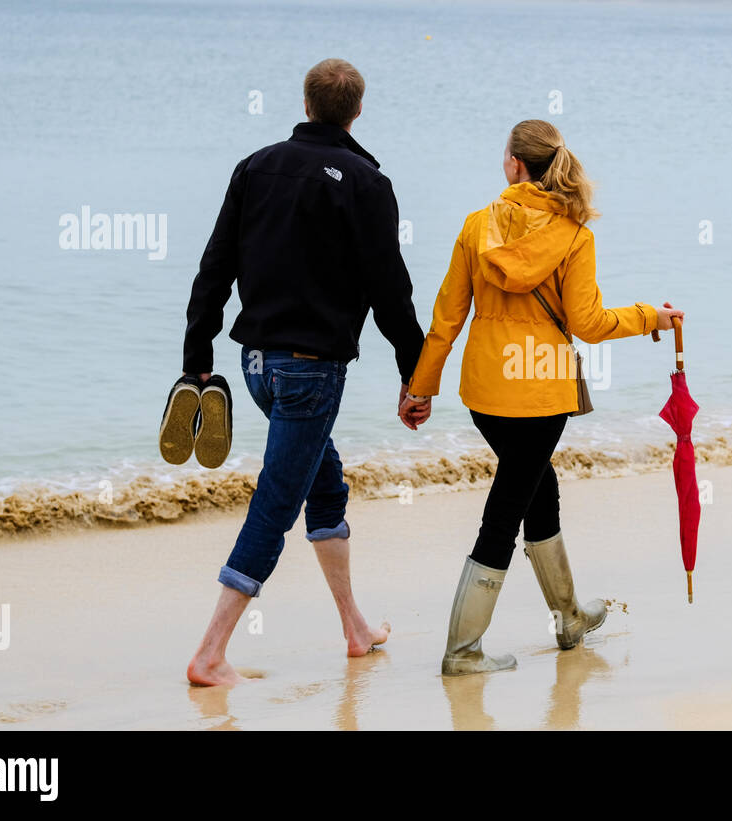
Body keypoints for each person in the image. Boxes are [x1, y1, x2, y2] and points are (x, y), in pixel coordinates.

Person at [399, 119, 684, 676]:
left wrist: (421, 388)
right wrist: (654, 316)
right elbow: (590, 323)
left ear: (514, 164)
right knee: (506, 511)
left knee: (537, 489)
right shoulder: (575, 235)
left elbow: (446, 319)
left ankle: (569, 616)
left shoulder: (477, 227)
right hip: (542, 392)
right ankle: (462, 650)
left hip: (485, 392)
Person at [181, 59, 426, 687]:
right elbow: (389, 289)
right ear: (357, 111)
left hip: (256, 365)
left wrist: (197, 362)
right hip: (311, 372)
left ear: (307, 103)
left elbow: (215, 266)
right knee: (275, 504)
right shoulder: (368, 184)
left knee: (325, 487)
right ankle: (210, 654)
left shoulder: (255, 166)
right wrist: (415, 374)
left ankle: (354, 628)